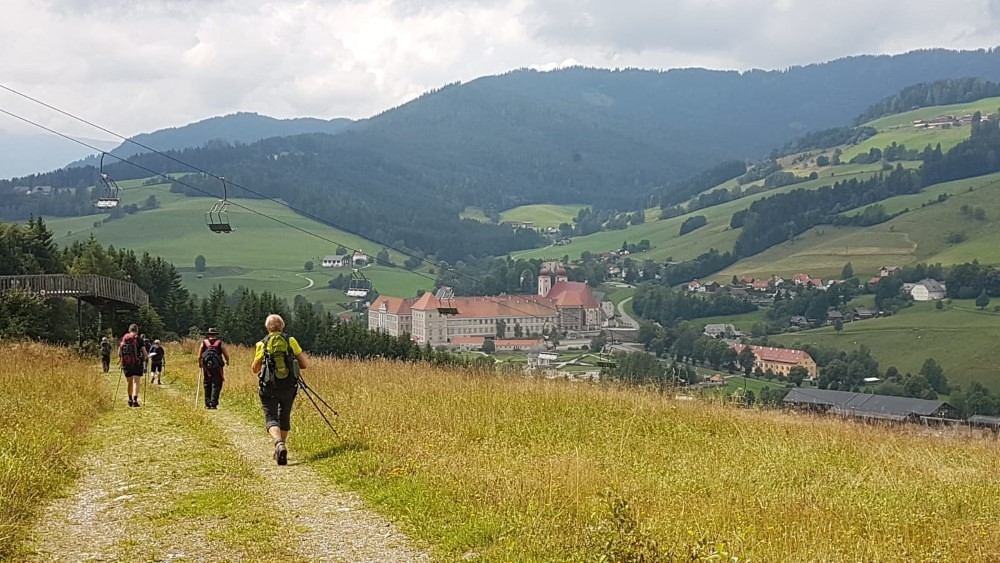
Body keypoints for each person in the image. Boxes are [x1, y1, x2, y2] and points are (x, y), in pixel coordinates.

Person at [250, 314, 308, 466]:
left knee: (271, 417)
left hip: (269, 387)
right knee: (284, 416)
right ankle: (282, 446)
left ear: (267, 328)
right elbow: (303, 364)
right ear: (282, 327)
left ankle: (278, 443)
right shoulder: (290, 341)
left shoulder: (262, 344)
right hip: (288, 386)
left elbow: (255, 369)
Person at [197, 328, 230, 409]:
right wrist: (227, 361)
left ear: (208, 335)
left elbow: (199, 355)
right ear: (216, 335)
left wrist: (200, 364)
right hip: (217, 366)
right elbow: (226, 354)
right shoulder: (220, 343)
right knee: (217, 384)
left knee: (207, 383)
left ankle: (207, 404)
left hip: (206, 367)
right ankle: (213, 404)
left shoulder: (204, 342)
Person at [119, 324, 149, 407]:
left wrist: (122, 360)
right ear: (137, 330)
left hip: (126, 363)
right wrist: (146, 358)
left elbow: (119, 352)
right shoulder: (139, 339)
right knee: (136, 381)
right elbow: (144, 351)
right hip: (137, 363)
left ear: (129, 330)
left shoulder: (125, 338)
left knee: (129, 382)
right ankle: (135, 400)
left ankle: (129, 399)